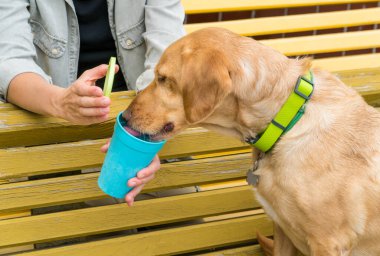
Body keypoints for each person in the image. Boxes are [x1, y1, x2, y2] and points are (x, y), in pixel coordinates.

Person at [0, 0, 186, 206]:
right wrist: (61, 102)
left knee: (185, 221)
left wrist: (146, 138)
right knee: (94, 223)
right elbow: (10, 62)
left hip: (140, 129)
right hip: (57, 139)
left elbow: (169, 55)